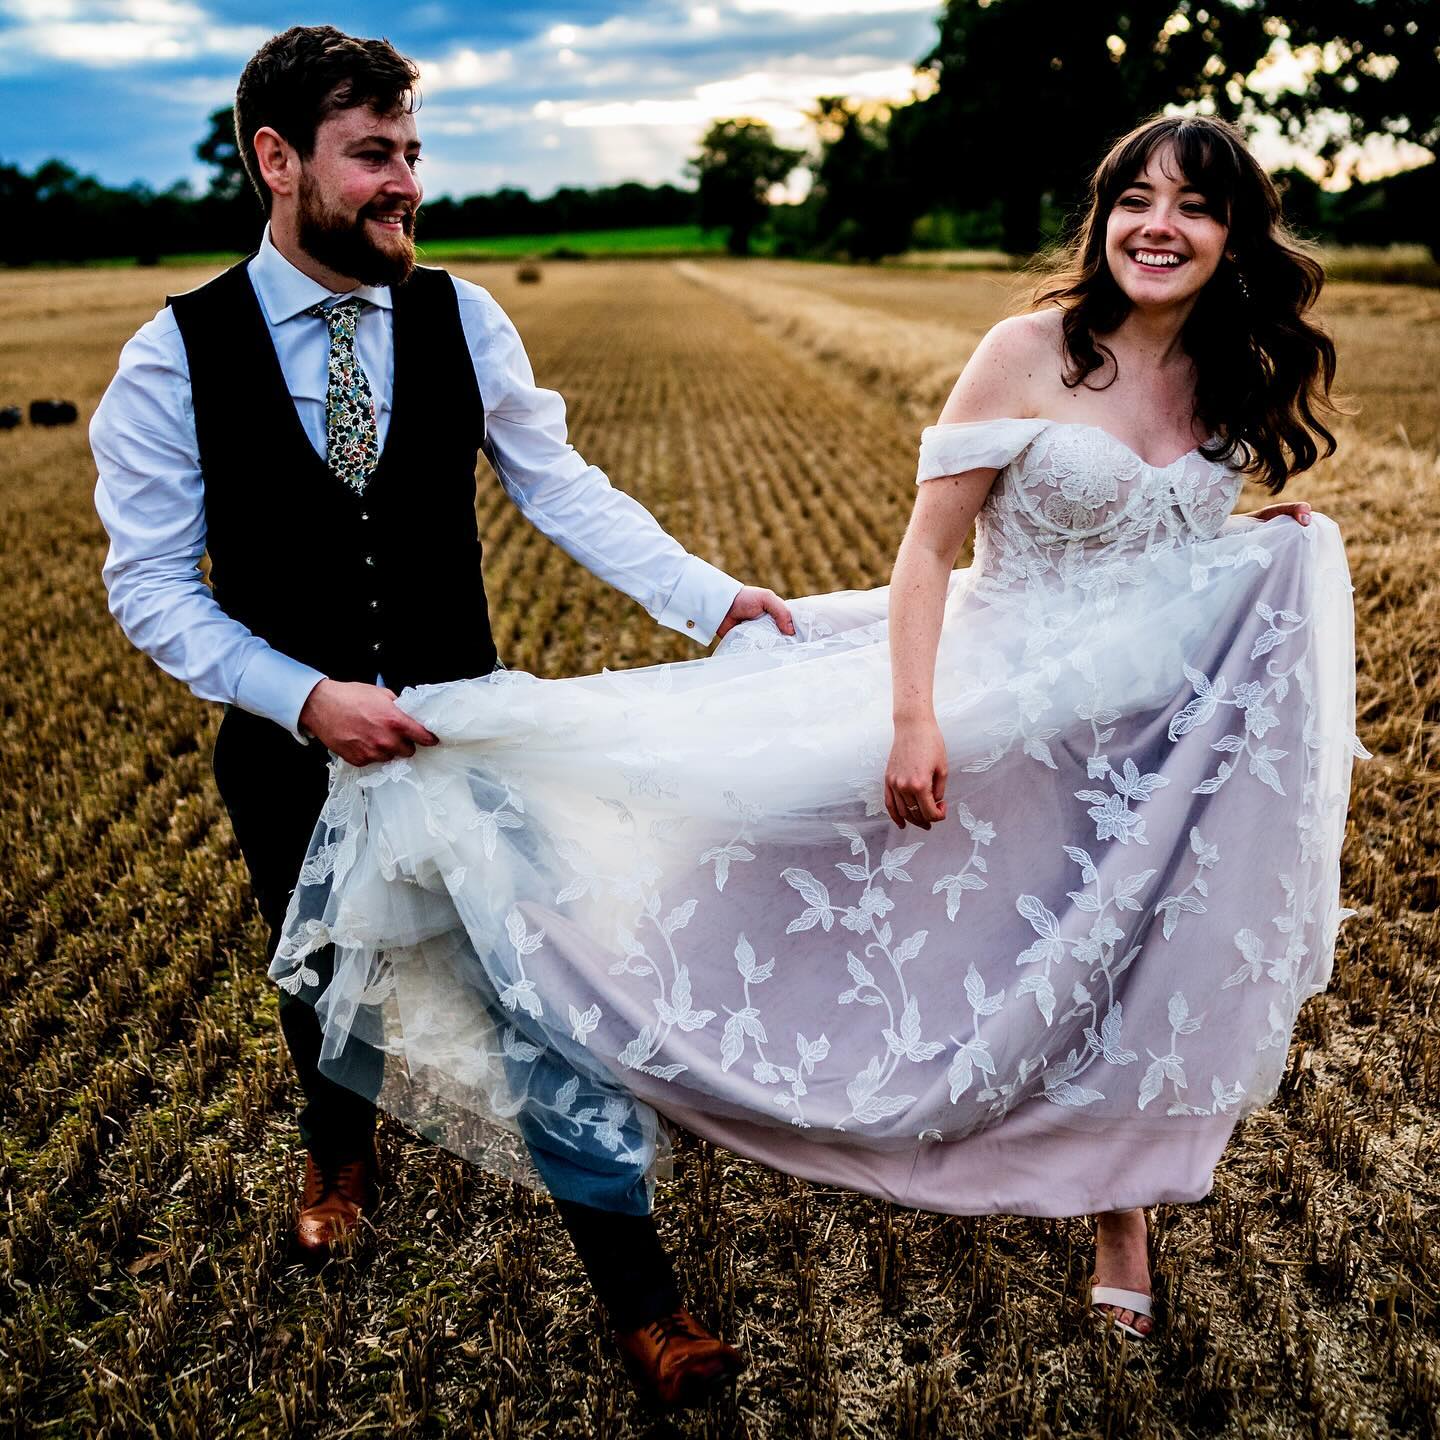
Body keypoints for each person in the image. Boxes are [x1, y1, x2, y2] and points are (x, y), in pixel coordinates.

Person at [272, 108, 1361, 1364]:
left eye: (1195, 207)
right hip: (992, 693)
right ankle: (650, 1050)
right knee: (810, 865)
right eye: (1137, 200)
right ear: (1103, 216)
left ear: (1235, 237)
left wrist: (1263, 546)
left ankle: (1124, 1228)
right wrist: (914, 720)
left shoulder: (1233, 377)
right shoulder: (1027, 353)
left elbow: (1164, 553)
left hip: (1141, 732)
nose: (1159, 227)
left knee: (1128, 956)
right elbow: (928, 555)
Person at [91, 24, 790, 1411]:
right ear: (275, 162)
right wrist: (303, 697)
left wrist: (712, 602)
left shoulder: (466, 316)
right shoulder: (172, 356)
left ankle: (644, 1304)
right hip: (288, 749)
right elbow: (150, 587)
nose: (405, 182)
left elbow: (564, 489)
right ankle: (339, 1152)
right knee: (324, 979)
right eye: (373, 156)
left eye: (412, 151)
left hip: (469, 735)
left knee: (542, 998)